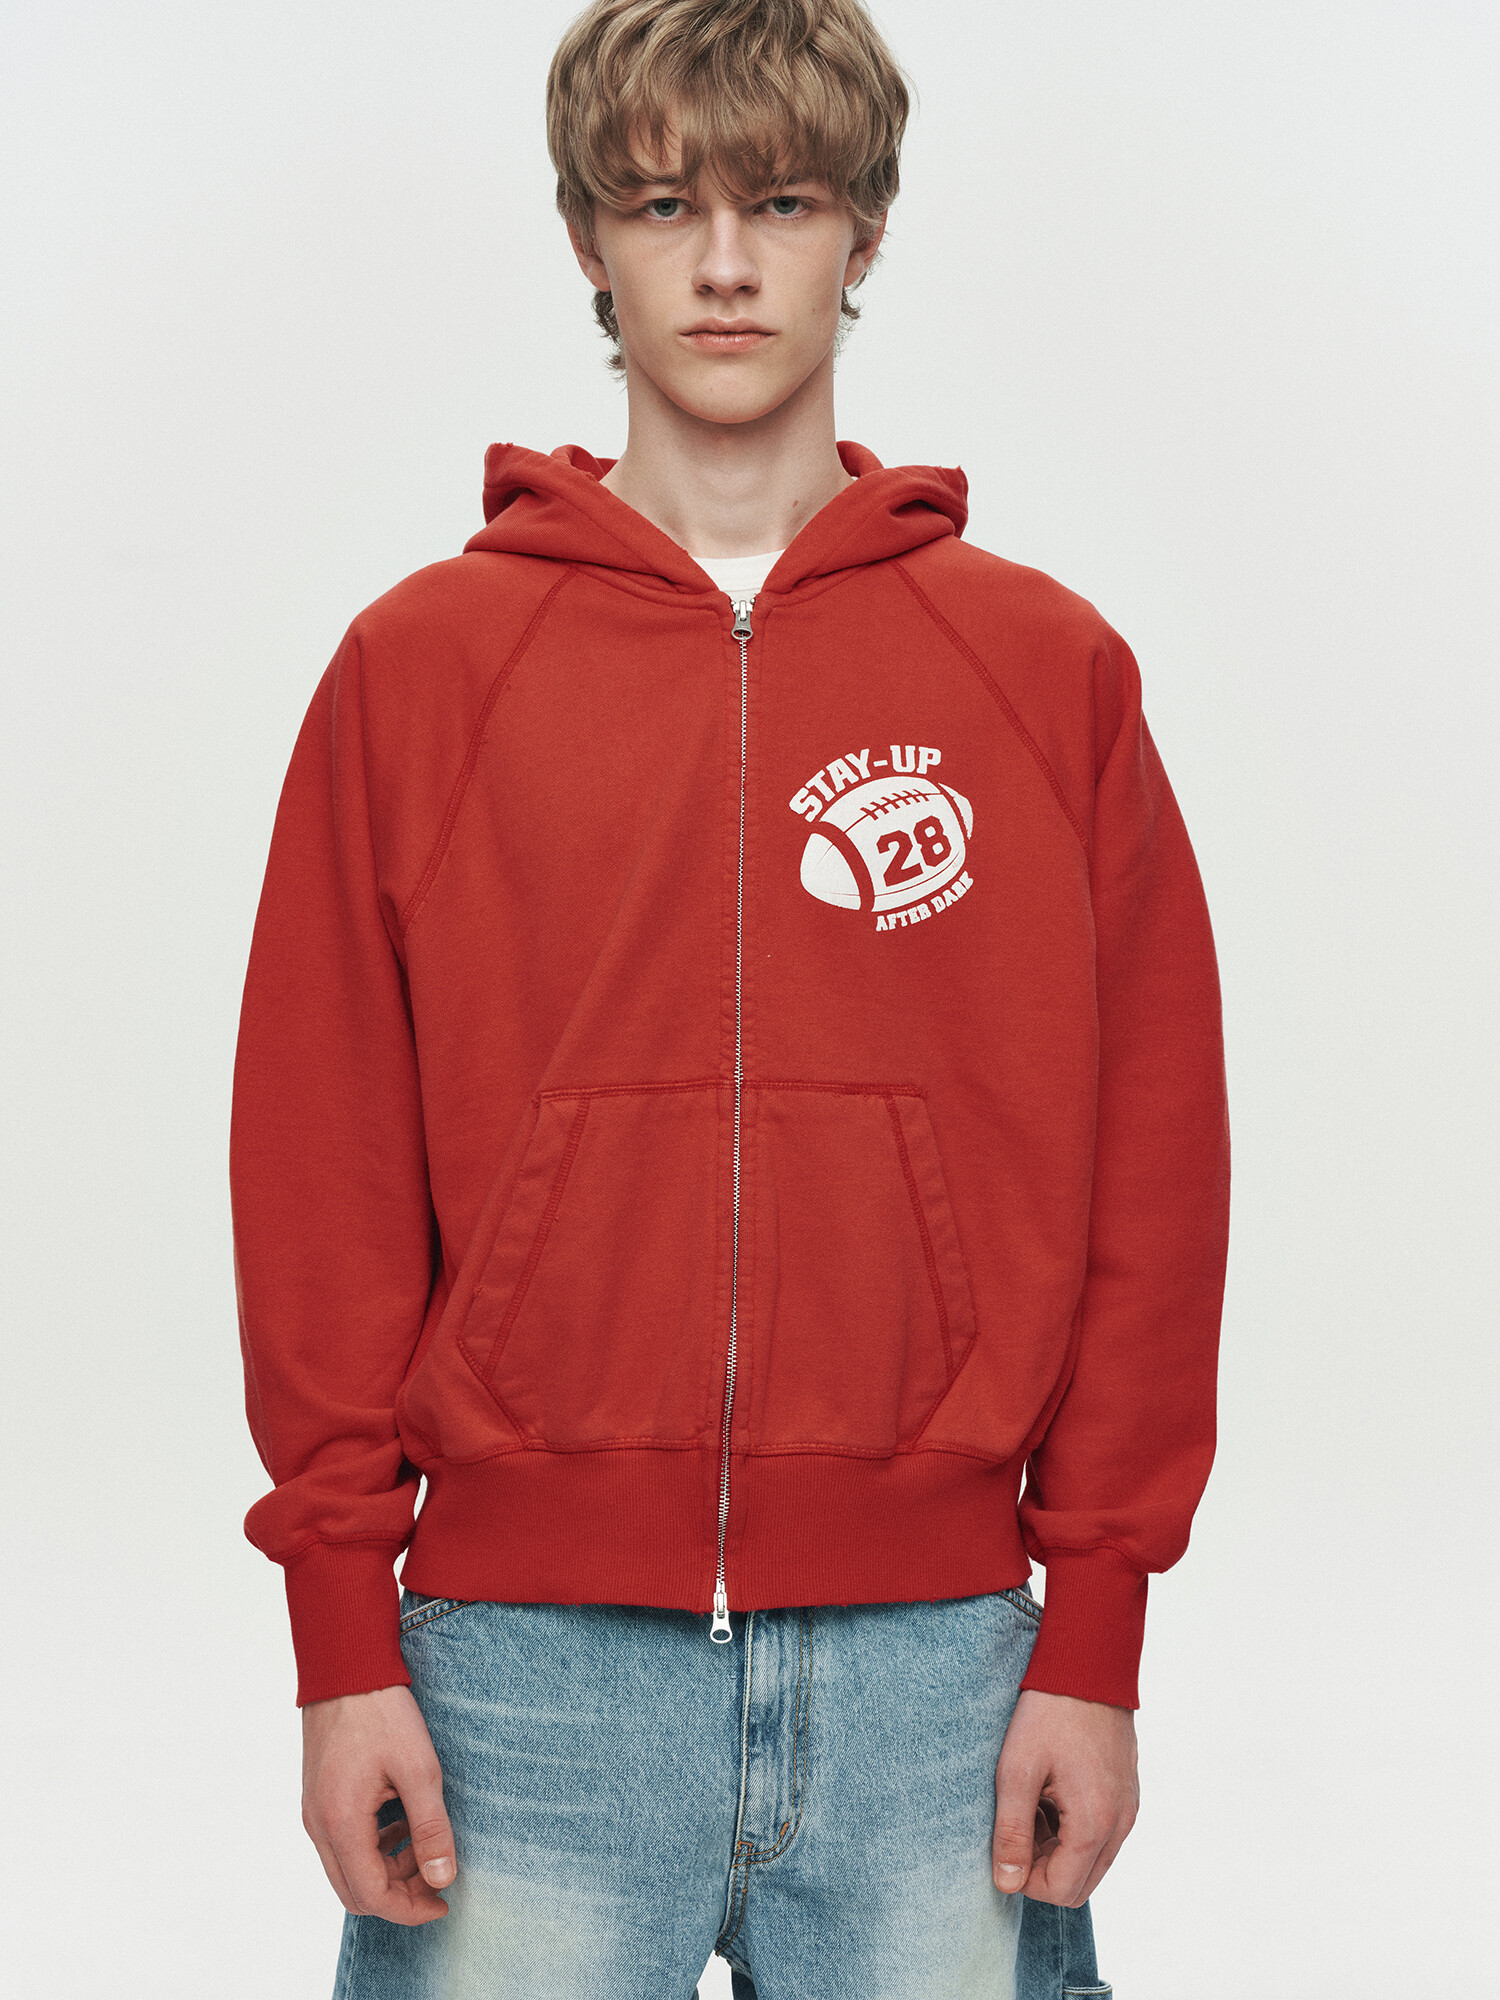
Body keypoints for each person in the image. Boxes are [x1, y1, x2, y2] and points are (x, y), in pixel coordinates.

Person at [229, 2, 1230, 1994]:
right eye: (662, 204)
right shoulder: (422, 670)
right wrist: (340, 1635)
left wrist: (1099, 1627)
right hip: (522, 1679)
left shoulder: (1044, 675)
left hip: (939, 1677)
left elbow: (1155, 1177)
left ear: (863, 230)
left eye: (778, 203)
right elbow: (320, 1170)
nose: (722, 265)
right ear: (587, 239)